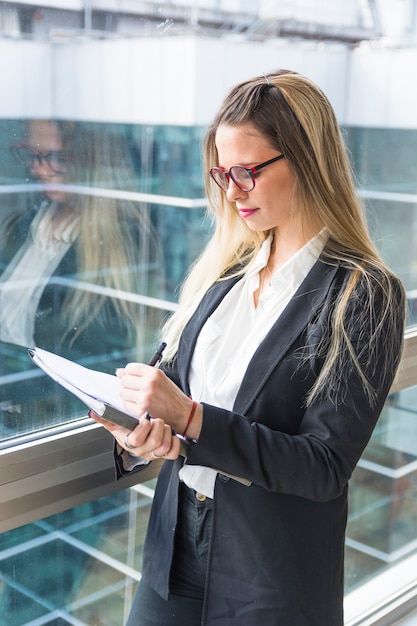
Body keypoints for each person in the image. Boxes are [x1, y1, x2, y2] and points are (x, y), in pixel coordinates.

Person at [91, 70, 406, 625]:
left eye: (247, 171)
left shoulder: (363, 293)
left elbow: (324, 466)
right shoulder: (225, 271)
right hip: (175, 542)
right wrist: (141, 428)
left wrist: (190, 418)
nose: (231, 191)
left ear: (307, 160)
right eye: (221, 172)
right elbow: (169, 395)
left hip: (272, 570)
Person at [0, 119, 163, 437]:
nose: (41, 169)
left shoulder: (118, 249)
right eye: (33, 155)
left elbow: (93, 370)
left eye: (58, 157)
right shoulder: (21, 227)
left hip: (56, 429)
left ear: (92, 161)